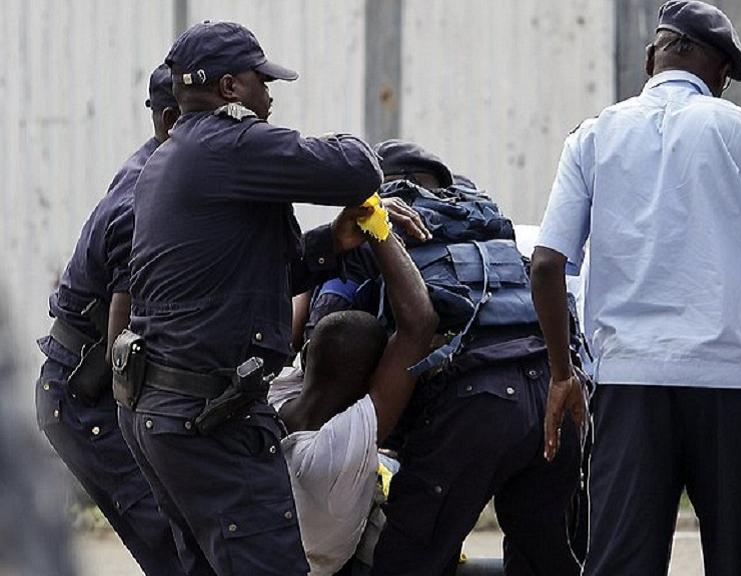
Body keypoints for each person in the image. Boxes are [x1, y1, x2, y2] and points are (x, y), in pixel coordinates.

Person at [530, 2, 741, 575]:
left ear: (653, 56)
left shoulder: (593, 138)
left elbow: (548, 265)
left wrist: (561, 376)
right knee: (737, 560)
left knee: (622, 562)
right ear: (721, 74)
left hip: (631, 385)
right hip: (738, 388)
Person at [118, 21, 426, 576]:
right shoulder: (228, 143)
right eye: (263, 81)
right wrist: (362, 159)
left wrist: (332, 243)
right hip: (208, 421)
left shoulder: (169, 160)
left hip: (165, 414)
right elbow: (356, 166)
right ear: (231, 88)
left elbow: (250, 280)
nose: (271, 95)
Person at [351, 141, 584, 576]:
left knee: (408, 558)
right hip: (552, 397)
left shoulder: (377, 231)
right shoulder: (485, 226)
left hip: (474, 408)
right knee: (544, 559)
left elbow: (337, 343)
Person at [34, 64, 184, 576]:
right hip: (87, 398)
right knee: (172, 543)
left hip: (84, 385)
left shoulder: (158, 165)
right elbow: (124, 337)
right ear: (169, 120)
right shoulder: (145, 199)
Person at [268, 229, 437, 576]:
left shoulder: (272, 393)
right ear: (369, 383)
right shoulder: (337, 450)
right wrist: (378, 225)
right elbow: (419, 326)